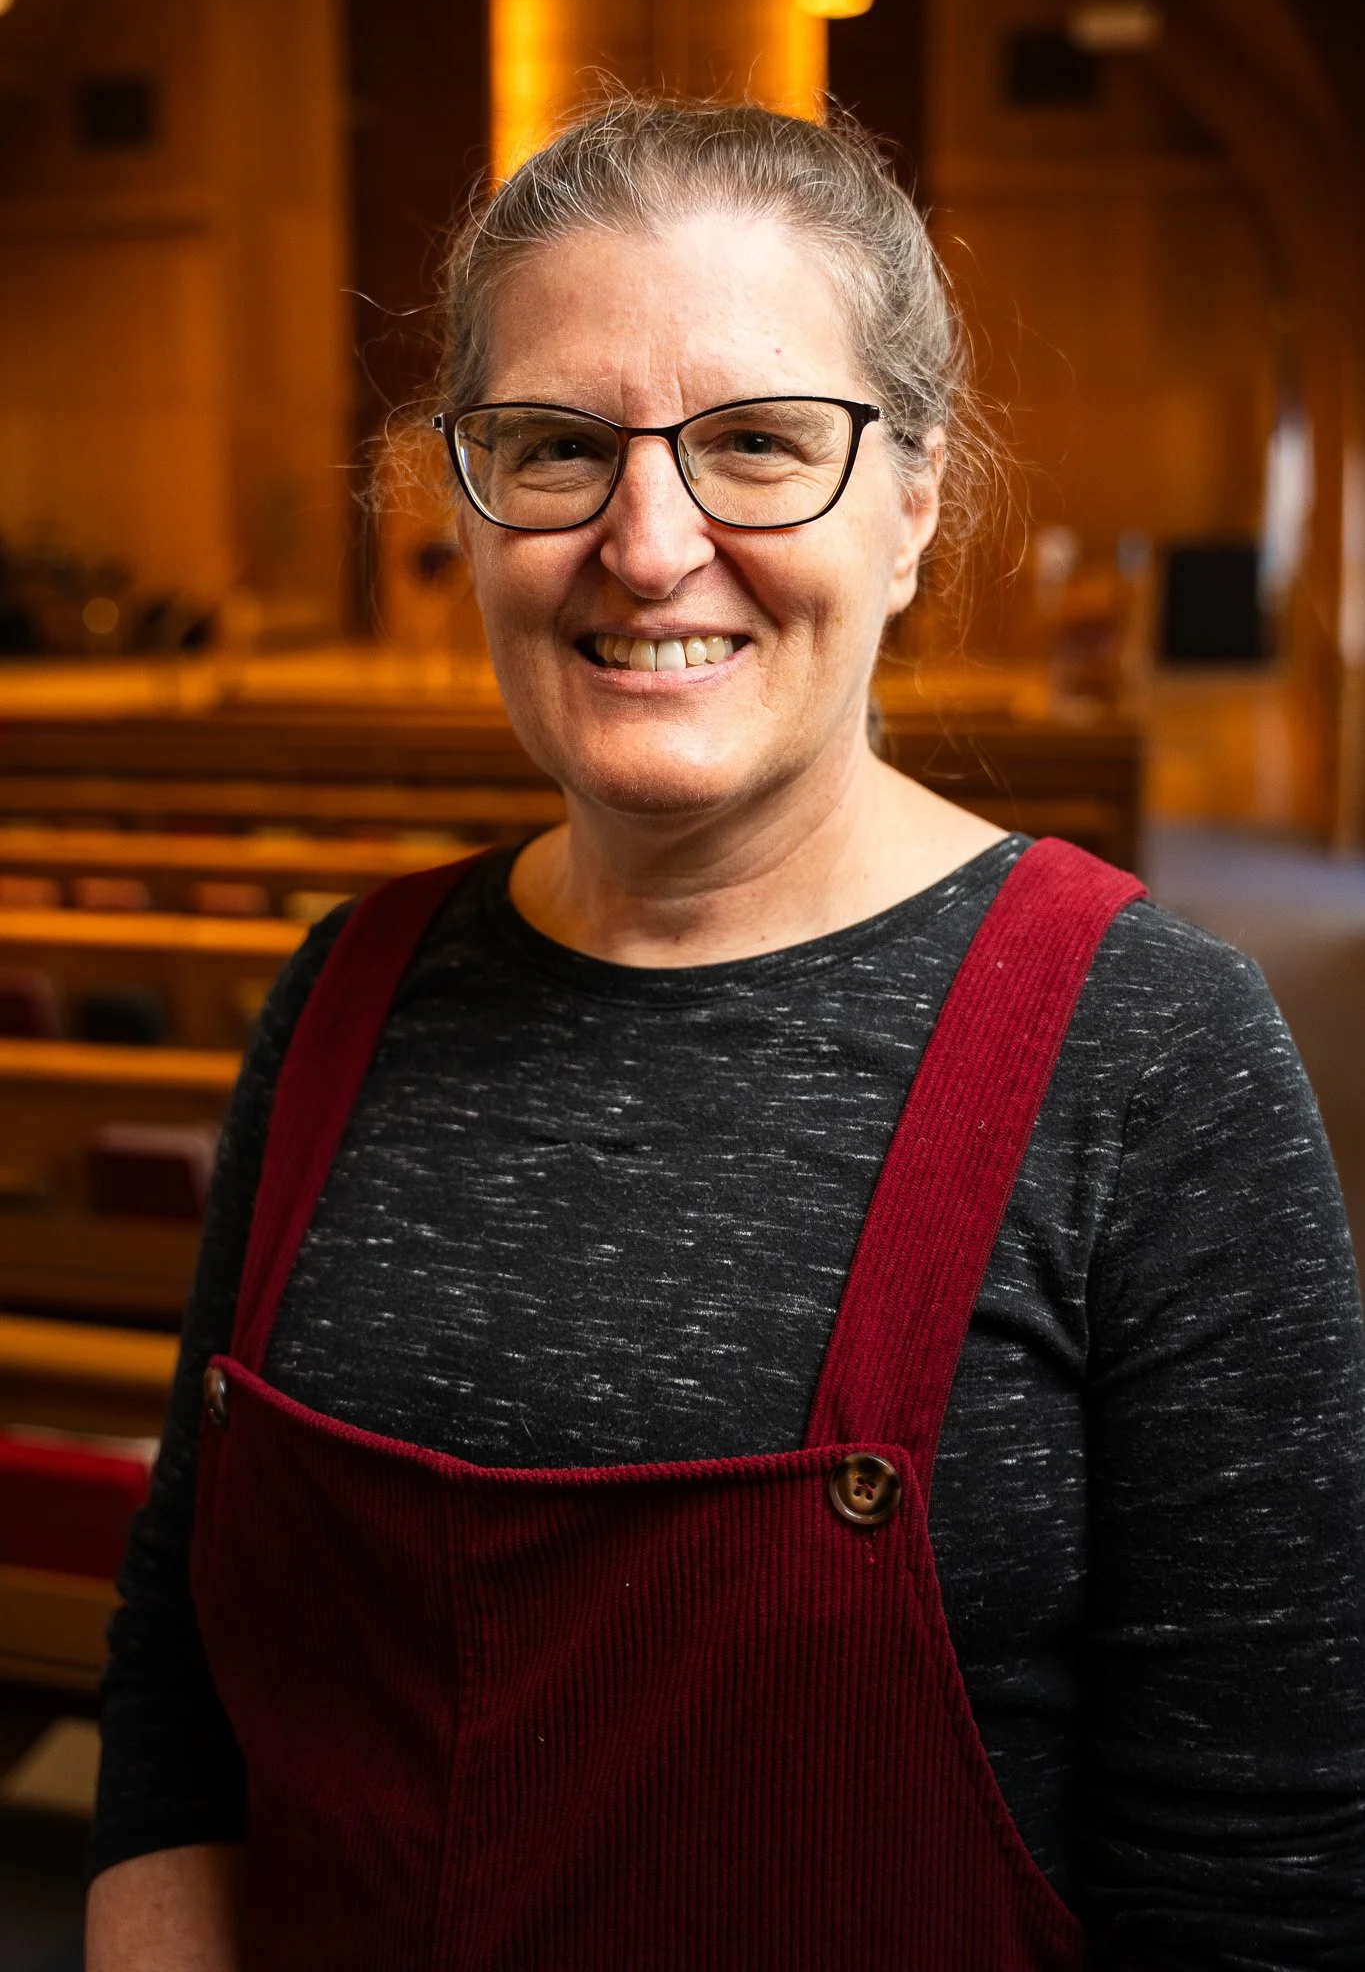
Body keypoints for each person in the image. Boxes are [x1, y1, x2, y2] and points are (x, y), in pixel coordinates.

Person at [86, 99, 1365, 1970]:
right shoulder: (345, 990)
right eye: (556, 449)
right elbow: (182, 1693)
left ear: (919, 502)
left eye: (761, 444)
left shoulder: (1151, 1053)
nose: (648, 542)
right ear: (467, 502)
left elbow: (1262, 1901)